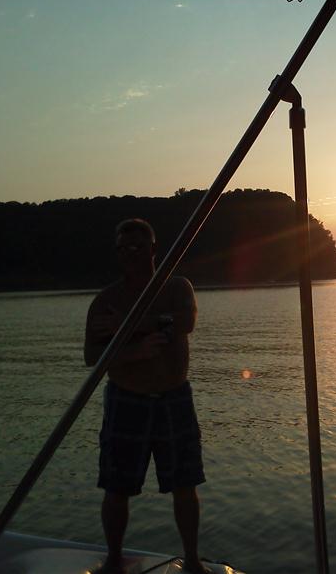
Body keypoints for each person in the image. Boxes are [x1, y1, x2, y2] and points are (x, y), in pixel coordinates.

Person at [84, 218, 208, 574]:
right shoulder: (106, 301)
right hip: (126, 399)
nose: (130, 254)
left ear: (154, 249)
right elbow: (92, 358)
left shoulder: (177, 287)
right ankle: (113, 559)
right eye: (123, 249)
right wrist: (133, 352)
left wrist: (131, 323)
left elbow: (185, 322)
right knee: (116, 487)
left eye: (138, 247)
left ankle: (193, 561)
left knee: (185, 484)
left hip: (174, 398)